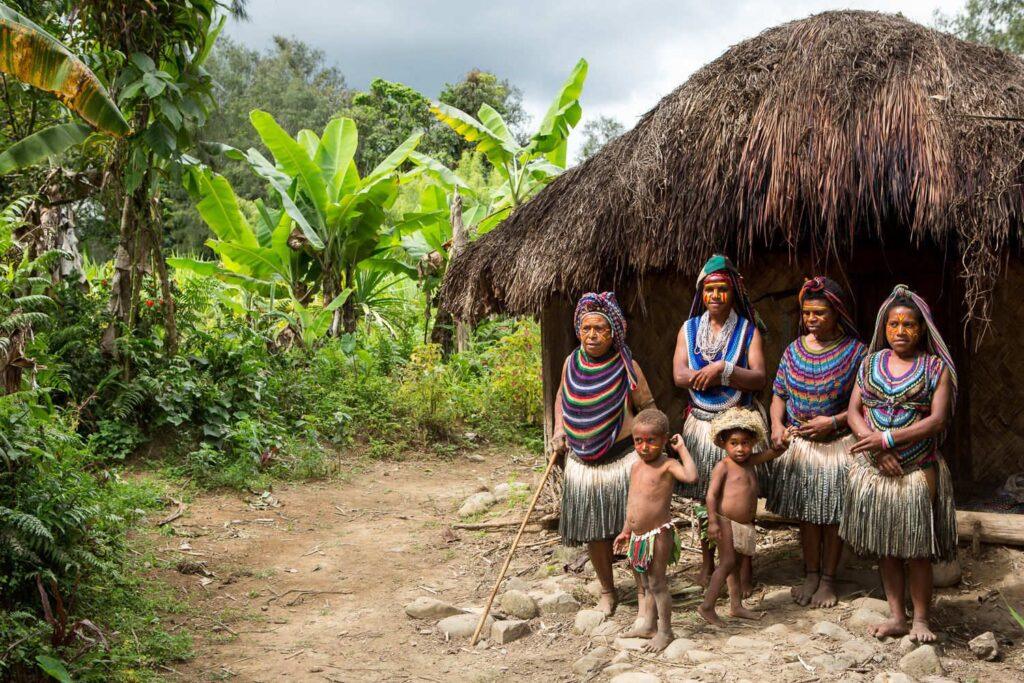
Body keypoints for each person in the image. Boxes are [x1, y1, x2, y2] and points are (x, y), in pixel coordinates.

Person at [839, 285, 958, 643]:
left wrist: (889, 439)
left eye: (909, 325)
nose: (901, 331)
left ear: (922, 329)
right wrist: (876, 450)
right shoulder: (870, 363)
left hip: (917, 469)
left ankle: (921, 618)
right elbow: (853, 412)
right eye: (894, 325)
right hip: (878, 469)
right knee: (887, 547)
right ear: (884, 328)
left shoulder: (935, 368)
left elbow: (937, 420)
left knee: (917, 549)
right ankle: (896, 616)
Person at [551, 292, 656, 618]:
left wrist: (648, 444)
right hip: (583, 463)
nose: (593, 335)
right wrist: (559, 430)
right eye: (586, 329)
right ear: (578, 331)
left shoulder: (628, 366)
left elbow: (648, 408)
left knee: (635, 529)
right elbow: (560, 399)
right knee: (595, 531)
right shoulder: (572, 363)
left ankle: (643, 593)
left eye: (600, 329)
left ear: (614, 333)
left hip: (623, 459)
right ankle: (608, 592)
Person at [768, 277, 867, 608]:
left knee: (833, 514)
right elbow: (778, 393)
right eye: (807, 313)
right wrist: (776, 424)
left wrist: (834, 422)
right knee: (808, 515)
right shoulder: (793, 350)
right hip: (801, 445)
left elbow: (863, 404)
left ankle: (828, 580)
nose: (811, 319)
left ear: (836, 313)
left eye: (820, 313)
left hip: (837, 445)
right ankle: (810, 573)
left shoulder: (856, 353)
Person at [672, 254, 767, 593]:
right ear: (702, 293)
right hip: (700, 423)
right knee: (703, 499)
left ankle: (744, 567)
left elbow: (757, 377)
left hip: (736, 424)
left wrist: (725, 370)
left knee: (740, 498)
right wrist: (702, 375)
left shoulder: (747, 330)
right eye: (710, 290)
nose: (715, 296)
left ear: (733, 293)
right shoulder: (690, 328)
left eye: (722, 290)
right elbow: (679, 374)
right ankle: (708, 563)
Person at [612, 408, 698, 652]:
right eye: (638, 441)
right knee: (646, 584)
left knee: (658, 584)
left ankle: (666, 632)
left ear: (664, 439)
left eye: (651, 440)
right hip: (638, 537)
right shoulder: (636, 467)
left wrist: (680, 449)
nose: (644, 446)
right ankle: (649, 625)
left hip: (657, 534)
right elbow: (633, 501)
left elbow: (691, 476)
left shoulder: (668, 465)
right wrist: (626, 530)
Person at [698, 407, 785, 626]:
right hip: (725, 521)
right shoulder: (723, 466)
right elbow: (711, 495)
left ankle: (736, 606)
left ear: (753, 442)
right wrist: (713, 521)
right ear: (723, 444)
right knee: (727, 563)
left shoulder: (750, 461)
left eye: (745, 443)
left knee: (734, 565)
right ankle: (707, 606)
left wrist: (785, 442)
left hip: (742, 524)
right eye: (734, 443)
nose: (740, 449)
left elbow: (773, 453)